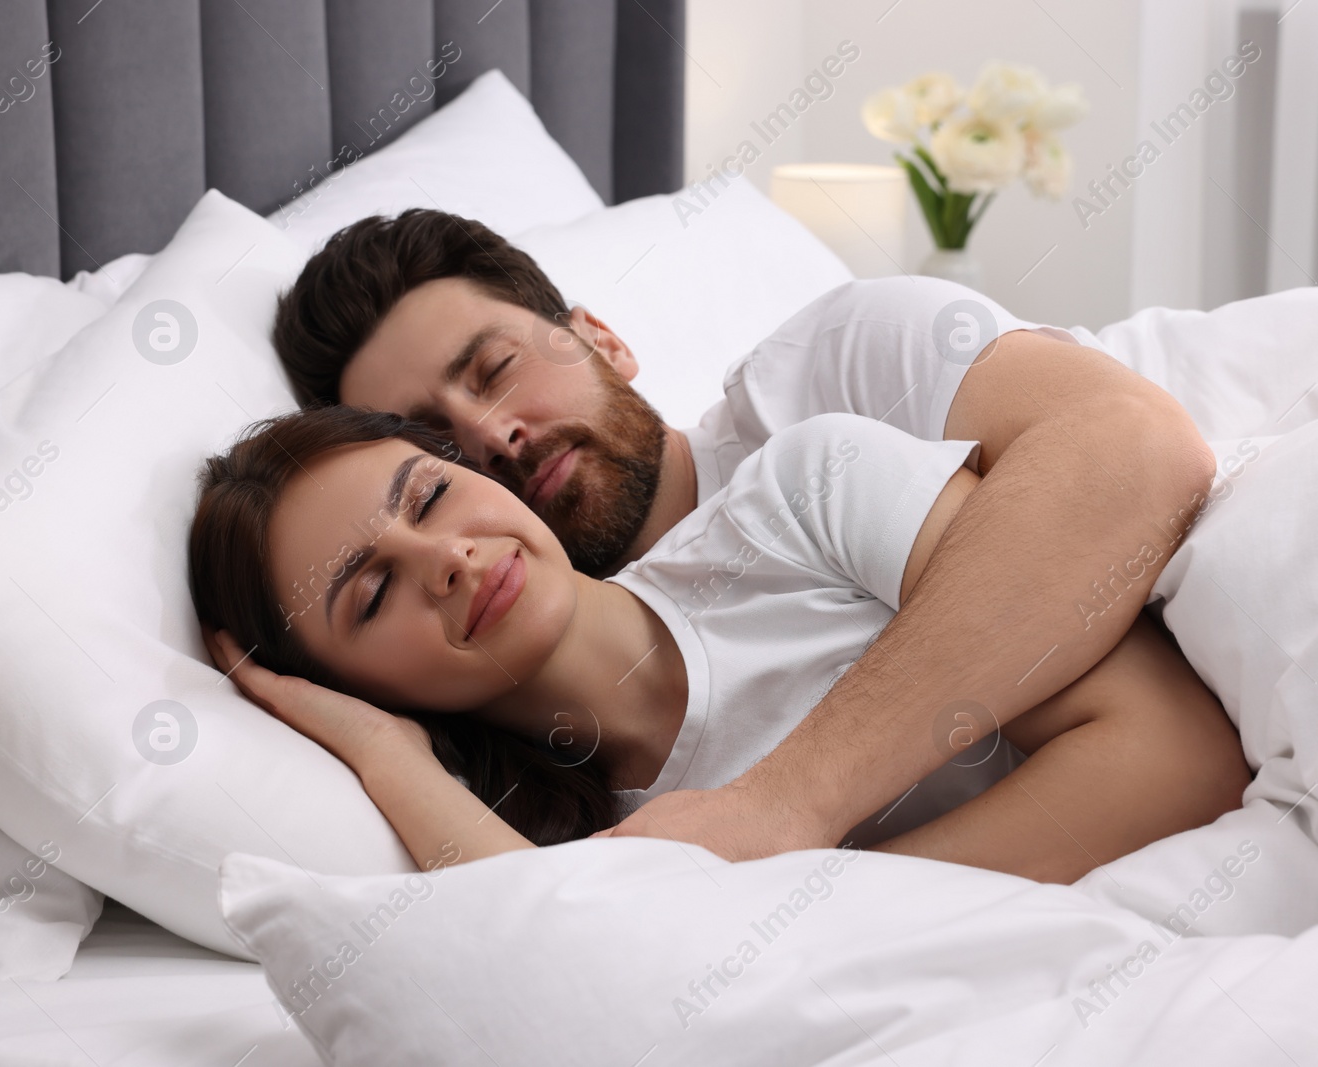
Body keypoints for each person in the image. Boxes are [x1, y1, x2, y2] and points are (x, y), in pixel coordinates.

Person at [268, 209, 1221, 871]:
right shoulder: (566, 733)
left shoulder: (827, 383)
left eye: (496, 369)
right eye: (435, 443)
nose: (491, 437)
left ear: (600, 338)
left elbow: (1135, 452)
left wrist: (786, 808)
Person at [189, 404, 1248, 881]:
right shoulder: (574, 841)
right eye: (371, 593)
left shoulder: (800, 501)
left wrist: (780, 859)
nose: (448, 558)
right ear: (365, 687)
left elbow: (1177, 755)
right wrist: (386, 759)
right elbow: (567, 978)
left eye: (429, 494)